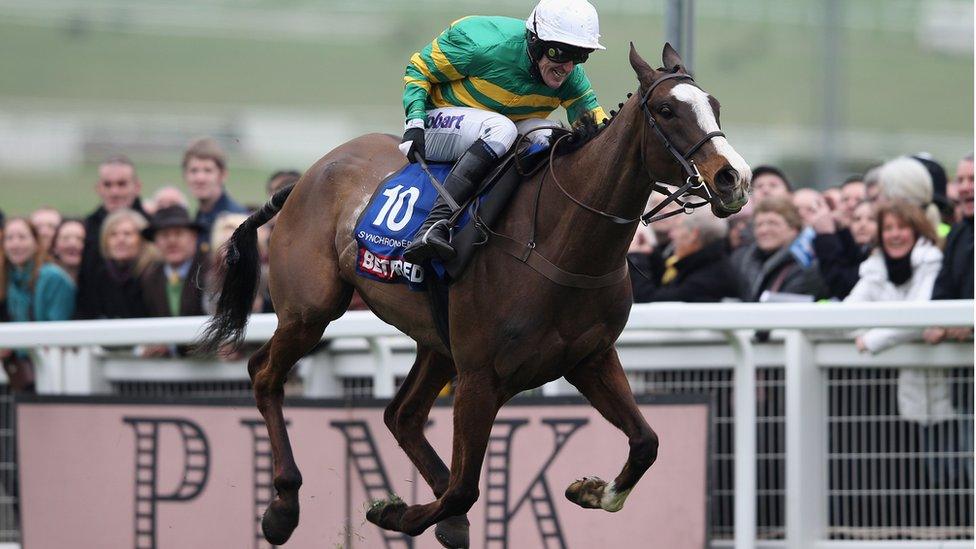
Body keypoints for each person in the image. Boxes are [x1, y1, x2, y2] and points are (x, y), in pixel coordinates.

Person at [400, 0, 609, 263]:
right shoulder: (482, 44)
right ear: (535, 42)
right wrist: (415, 121)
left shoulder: (571, 76)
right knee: (501, 129)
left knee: (550, 135)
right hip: (436, 123)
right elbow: (419, 70)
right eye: (559, 53)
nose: (567, 67)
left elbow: (597, 126)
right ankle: (433, 226)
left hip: (496, 130)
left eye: (579, 56)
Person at [0, 218, 76, 392]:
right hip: (22, 366)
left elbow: (58, 327)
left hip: (55, 368)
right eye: (10, 238)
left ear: (36, 243)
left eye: (22, 237)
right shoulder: (9, 279)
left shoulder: (53, 278)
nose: (15, 244)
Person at [77, 156, 148, 314]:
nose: (114, 192)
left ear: (137, 187)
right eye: (107, 184)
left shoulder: (152, 228)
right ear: (98, 188)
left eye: (122, 184)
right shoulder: (85, 229)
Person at [730, 196, 826, 302]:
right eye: (759, 225)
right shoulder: (742, 260)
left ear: (793, 228)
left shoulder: (806, 263)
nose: (764, 230)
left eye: (773, 223)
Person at [631, 209, 739, 302]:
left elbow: (652, 301)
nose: (671, 235)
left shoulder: (710, 278)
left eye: (677, 228)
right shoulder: (706, 264)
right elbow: (667, 286)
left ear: (693, 234)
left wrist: (636, 258)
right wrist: (651, 254)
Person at [925, 153, 974, 344]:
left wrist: (970, 322)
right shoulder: (958, 233)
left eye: (972, 179)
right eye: (960, 180)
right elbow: (942, 290)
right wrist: (939, 322)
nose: (964, 187)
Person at [74, 209, 154, 319]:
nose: (120, 240)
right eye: (113, 235)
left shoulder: (154, 275)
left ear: (143, 239)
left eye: (128, 234)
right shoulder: (97, 275)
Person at [182, 137, 248, 250]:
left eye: (208, 170)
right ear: (185, 175)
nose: (200, 178)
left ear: (223, 175)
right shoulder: (199, 217)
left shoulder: (235, 221)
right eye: (194, 170)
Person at [812, 200, 877, 299]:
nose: (862, 224)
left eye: (871, 219)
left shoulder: (879, 259)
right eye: (857, 219)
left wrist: (826, 236)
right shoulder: (852, 251)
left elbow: (843, 284)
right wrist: (842, 232)